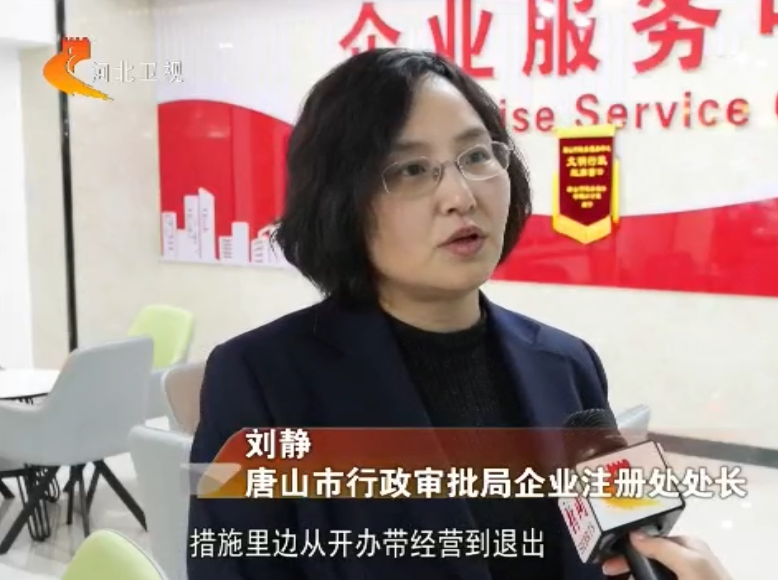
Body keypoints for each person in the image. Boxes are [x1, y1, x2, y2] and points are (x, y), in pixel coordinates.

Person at [187, 48, 733, 580]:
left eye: (476, 156)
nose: (461, 195)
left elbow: (610, 552)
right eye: (411, 169)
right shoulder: (262, 381)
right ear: (340, 201)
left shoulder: (567, 363)